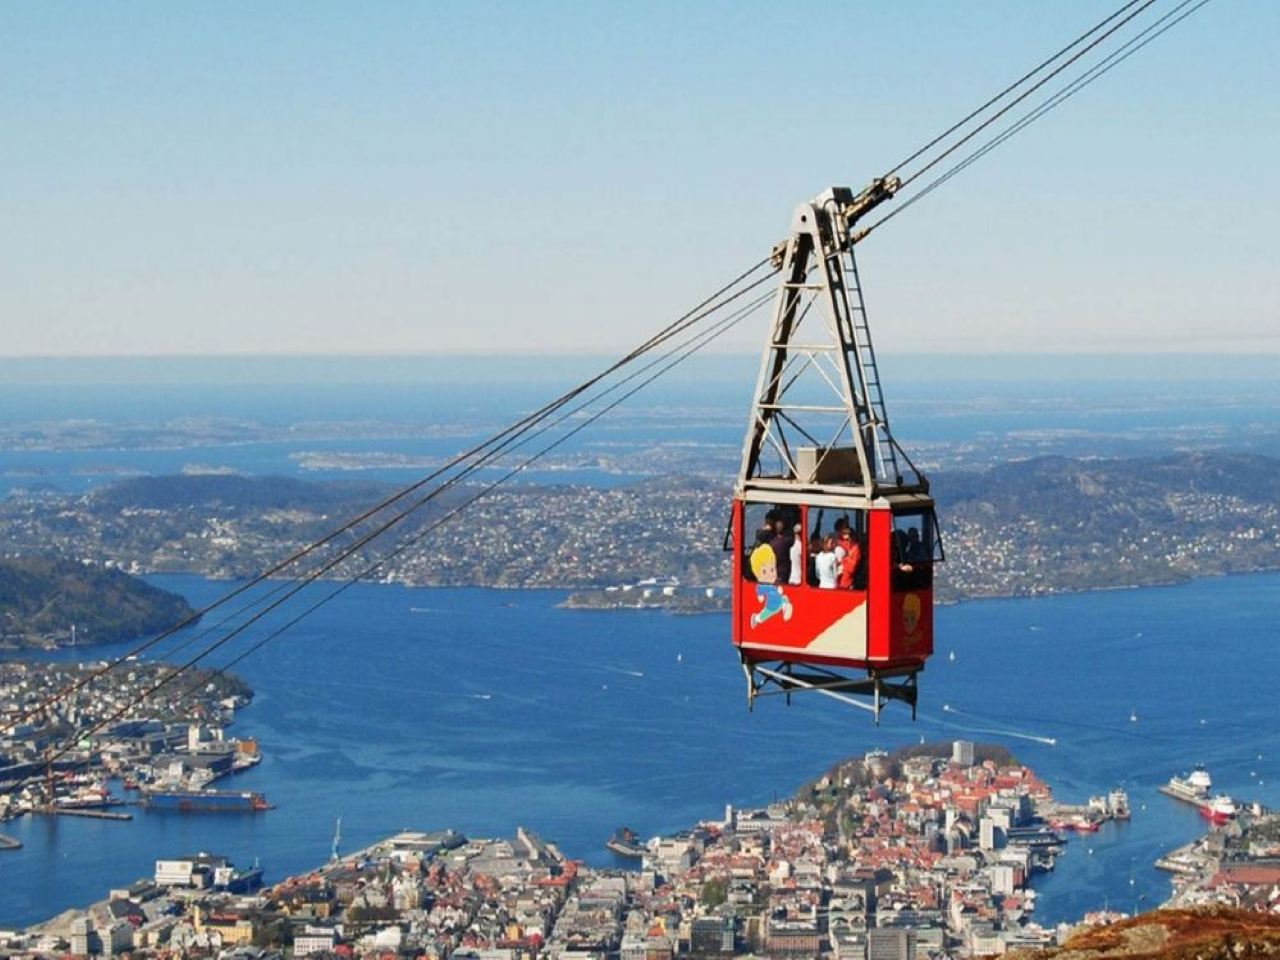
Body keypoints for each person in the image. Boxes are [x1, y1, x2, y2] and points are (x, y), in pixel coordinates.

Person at [748, 543, 793, 628]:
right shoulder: (763, 586)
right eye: (764, 571)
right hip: (770, 606)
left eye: (772, 569)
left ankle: (786, 609)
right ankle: (755, 618)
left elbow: (779, 588)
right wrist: (760, 597)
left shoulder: (776, 582)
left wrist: (779, 588)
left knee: (783, 599)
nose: (770, 574)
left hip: (778, 601)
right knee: (763, 617)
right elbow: (759, 591)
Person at [835, 519, 861, 590]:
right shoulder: (840, 543)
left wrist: (843, 561)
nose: (845, 537)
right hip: (838, 582)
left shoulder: (855, 548)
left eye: (847, 534)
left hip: (847, 584)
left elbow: (851, 568)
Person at [769, 518, 794, 586]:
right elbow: (793, 539)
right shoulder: (787, 542)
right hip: (785, 573)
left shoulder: (771, 544)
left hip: (774, 574)